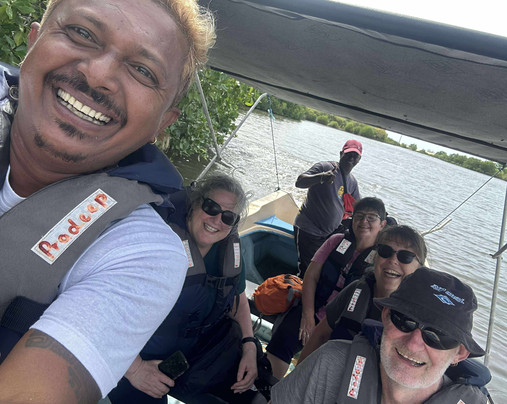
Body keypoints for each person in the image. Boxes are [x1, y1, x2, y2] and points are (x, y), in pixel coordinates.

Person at [0, 0, 215, 402]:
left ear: (163, 121)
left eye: (143, 71)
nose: (98, 75)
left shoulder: (144, 255)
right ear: (33, 42)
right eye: (82, 33)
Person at [108, 173, 260, 404]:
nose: (216, 220)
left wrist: (249, 345)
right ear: (195, 203)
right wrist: (135, 369)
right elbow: (106, 308)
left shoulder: (227, 251)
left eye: (228, 217)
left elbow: (237, 301)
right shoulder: (156, 240)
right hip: (133, 359)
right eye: (211, 207)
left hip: (189, 358)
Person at [270, 267, 488, 404]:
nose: (414, 343)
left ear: (459, 353)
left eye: (437, 335)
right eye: (404, 321)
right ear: (385, 316)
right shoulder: (331, 363)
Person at [266, 197, 387, 379]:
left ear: (382, 224)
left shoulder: (383, 258)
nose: (364, 222)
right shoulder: (336, 241)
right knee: (283, 338)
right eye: (359, 216)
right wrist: (308, 316)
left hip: (343, 325)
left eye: (371, 218)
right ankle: (268, 383)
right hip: (314, 308)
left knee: (322, 370)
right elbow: (311, 276)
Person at [298, 224, 427, 363]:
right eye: (385, 251)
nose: (393, 260)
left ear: (419, 269)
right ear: (375, 257)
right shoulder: (355, 290)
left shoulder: (419, 319)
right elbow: (320, 336)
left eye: (406, 256)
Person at [294, 139, 362, 277]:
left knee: (324, 270)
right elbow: (300, 182)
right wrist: (320, 177)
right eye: (348, 154)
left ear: (359, 160)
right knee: (307, 271)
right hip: (310, 230)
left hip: (328, 234)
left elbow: (359, 206)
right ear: (341, 153)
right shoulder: (325, 167)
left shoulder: (352, 182)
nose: (351, 158)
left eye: (355, 156)